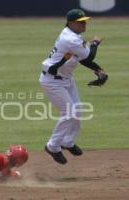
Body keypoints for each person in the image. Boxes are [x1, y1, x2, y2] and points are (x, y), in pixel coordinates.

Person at [39, 9, 108, 164]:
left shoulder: (74, 36)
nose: (84, 24)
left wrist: (98, 70)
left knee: (77, 111)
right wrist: (95, 42)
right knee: (69, 113)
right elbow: (89, 55)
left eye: (85, 21)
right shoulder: (70, 38)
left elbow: (83, 58)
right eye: (81, 21)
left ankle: (67, 142)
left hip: (66, 79)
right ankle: (53, 146)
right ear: (71, 23)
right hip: (52, 81)